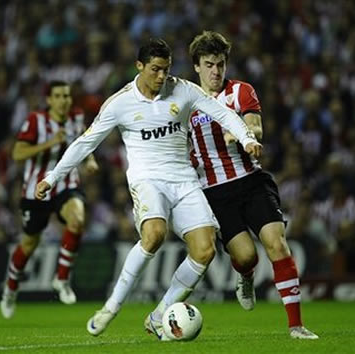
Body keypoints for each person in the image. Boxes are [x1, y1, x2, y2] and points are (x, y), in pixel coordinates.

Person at [35, 39, 261, 339]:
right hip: (147, 180)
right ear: (139, 66)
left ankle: (158, 316)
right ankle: (111, 308)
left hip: (184, 180)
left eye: (166, 70)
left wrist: (246, 138)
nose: (161, 77)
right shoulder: (120, 103)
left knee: (205, 251)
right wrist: (52, 177)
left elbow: (223, 113)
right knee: (154, 235)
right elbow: (85, 143)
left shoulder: (184, 90)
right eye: (155, 70)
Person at [187, 31, 318, 339]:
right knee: (246, 256)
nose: (216, 72)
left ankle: (296, 326)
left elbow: (255, 125)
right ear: (196, 67)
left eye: (220, 64)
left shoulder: (240, 91)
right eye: (209, 65)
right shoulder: (186, 102)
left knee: (277, 242)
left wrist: (245, 134)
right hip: (216, 192)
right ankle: (245, 275)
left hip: (251, 181)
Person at [0, 80, 99, 319]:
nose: (64, 100)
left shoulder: (76, 117)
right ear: (49, 100)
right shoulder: (36, 120)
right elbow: (18, 153)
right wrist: (50, 143)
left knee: (77, 220)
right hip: (36, 190)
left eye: (67, 96)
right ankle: (10, 290)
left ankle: (62, 279)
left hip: (66, 184)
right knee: (29, 244)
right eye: (59, 96)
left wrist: (90, 160)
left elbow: (83, 143)